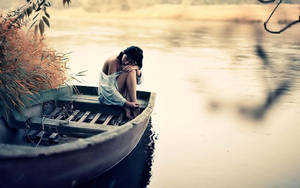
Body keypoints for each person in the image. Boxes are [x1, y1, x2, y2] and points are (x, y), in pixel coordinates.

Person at [98, 46, 144, 119]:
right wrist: (127, 103)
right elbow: (109, 88)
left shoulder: (131, 64)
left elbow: (139, 82)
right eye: (126, 58)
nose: (126, 62)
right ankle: (133, 107)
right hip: (106, 95)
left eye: (130, 61)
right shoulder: (113, 61)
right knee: (129, 71)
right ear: (123, 53)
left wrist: (136, 68)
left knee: (131, 71)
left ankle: (133, 105)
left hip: (120, 94)